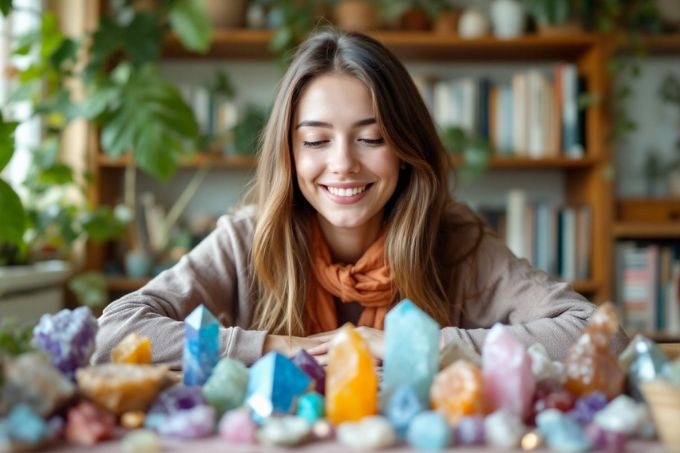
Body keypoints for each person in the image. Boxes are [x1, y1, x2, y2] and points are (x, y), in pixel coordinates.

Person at [92, 29, 627, 368]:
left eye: (371, 138)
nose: (343, 163)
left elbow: (593, 331)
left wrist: (416, 346)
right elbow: (113, 329)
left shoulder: (454, 239)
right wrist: (275, 346)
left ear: (405, 148)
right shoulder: (247, 238)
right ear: (290, 152)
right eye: (317, 140)